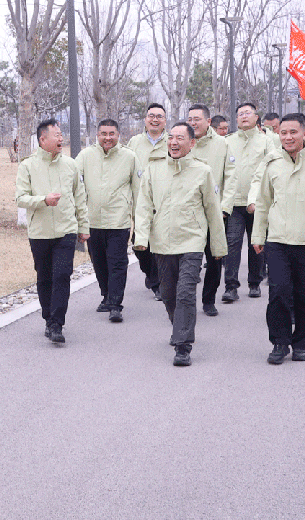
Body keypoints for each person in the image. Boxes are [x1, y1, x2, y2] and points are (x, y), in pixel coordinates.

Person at [133, 122, 227, 366]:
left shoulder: (202, 171)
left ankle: (183, 345)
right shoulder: (153, 170)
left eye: (180, 138)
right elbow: (143, 206)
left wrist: (218, 247)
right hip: (162, 242)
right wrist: (141, 238)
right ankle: (179, 326)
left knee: (186, 292)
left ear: (192, 143)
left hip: (192, 241)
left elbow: (213, 211)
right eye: (170, 138)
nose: (173, 142)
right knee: (168, 295)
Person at [252, 113, 305, 364]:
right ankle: (279, 342)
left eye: (293, 132)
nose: (288, 137)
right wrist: (259, 235)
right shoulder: (272, 165)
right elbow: (263, 203)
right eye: (283, 133)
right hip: (277, 240)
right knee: (278, 291)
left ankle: (301, 342)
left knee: (304, 294)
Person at [16, 119, 90, 344]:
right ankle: (48, 317)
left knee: (62, 275)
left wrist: (83, 226)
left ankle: (57, 323)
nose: (61, 139)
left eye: (61, 135)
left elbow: (80, 197)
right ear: (42, 139)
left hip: (66, 230)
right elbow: (21, 198)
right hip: (40, 232)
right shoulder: (27, 166)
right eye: (56, 135)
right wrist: (43, 200)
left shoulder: (70, 165)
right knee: (45, 277)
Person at [76, 119, 137, 323]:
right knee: (99, 263)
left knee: (117, 263)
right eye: (103, 133)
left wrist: (139, 219)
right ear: (97, 134)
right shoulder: (85, 156)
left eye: (112, 133)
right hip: (92, 221)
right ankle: (106, 296)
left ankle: (116, 305)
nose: (107, 138)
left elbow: (138, 189)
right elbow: (74, 184)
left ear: (118, 135)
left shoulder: (129, 157)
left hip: (118, 221)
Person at [220, 102, 269, 303]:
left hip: (257, 203)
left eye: (248, 113)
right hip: (234, 202)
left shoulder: (267, 141)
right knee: (232, 244)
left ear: (256, 117)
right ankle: (231, 286)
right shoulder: (227, 141)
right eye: (240, 114)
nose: (244, 116)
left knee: (256, 243)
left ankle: (254, 282)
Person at [188, 104, 228, 316]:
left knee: (215, 258)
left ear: (208, 121)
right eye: (190, 119)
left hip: (215, 211)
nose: (193, 123)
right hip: (188, 212)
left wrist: (225, 207)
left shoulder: (222, 144)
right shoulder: (184, 142)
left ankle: (209, 299)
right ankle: (185, 298)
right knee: (187, 256)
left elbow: (231, 177)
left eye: (197, 119)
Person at [126, 104, 169, 300]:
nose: (155, 119)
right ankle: (153, 276)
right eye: (151, 116)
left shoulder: (172, 141)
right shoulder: (134, 143)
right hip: (140, 204)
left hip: (165, 204)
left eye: (159, 116)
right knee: (140, 245)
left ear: (165, 121)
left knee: (161, 245)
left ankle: (159, 282)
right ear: (145, 119)